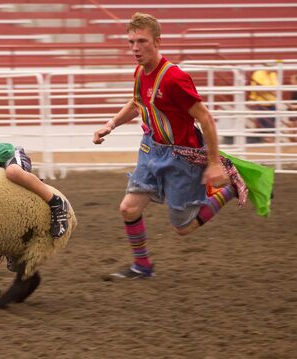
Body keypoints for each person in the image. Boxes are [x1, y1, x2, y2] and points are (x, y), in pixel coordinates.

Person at [93, 12, 235, 279]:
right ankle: (142, 266)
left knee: (182, 227)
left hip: (182, 157)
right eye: (131, 42)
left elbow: (205, 118)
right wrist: (110, 124)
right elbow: (137, 104)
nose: (135, 48)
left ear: (158, 42)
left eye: (142, 41)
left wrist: (214, 163)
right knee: (128, 208)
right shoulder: (139, 72)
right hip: (151, 149)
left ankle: (231, 189)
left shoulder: (174, 78)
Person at [248, 68, 279, 143]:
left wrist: (268, 89)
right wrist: (270, 90)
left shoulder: (273, 74)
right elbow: (258, 88)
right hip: (260, 102)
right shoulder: (258, 74)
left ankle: (269, 140)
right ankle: (264, 140)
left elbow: (276, 88)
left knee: (271, 122)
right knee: (263, 122)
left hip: (272, 102)